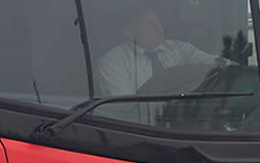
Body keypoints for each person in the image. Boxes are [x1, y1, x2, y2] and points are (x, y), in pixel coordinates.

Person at [96, 9, 226, 101]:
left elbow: (216, 63)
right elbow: (124, 110)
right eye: (151, 24)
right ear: (130, 32)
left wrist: (232, 68)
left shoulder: (178, 49)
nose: (160, 29)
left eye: (159, 22)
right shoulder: (112, 62)